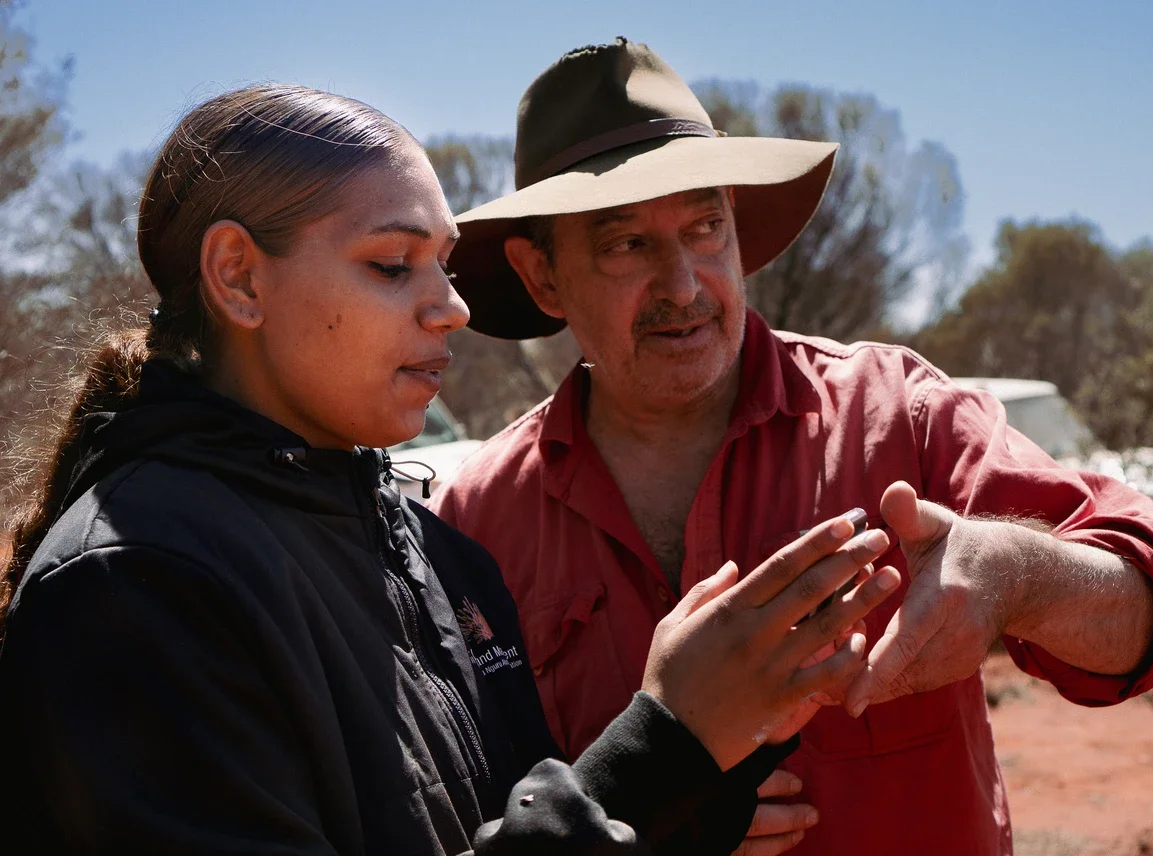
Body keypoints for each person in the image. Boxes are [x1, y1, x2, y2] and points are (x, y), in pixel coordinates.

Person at [0, 84, 903, 855]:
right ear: (239, 277)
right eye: (393, 266)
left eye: (445, 265)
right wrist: (665, 741)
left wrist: (688, 792)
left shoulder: (437, 554)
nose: (453, 309)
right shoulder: (136, 585)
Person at [431, 38, 1153, 856]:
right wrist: (644, 805)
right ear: (541, 275)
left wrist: (1016, 574)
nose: (685, 285)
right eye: (627, 245)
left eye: (704, 227)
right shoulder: (478, 518)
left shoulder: (896, 413)